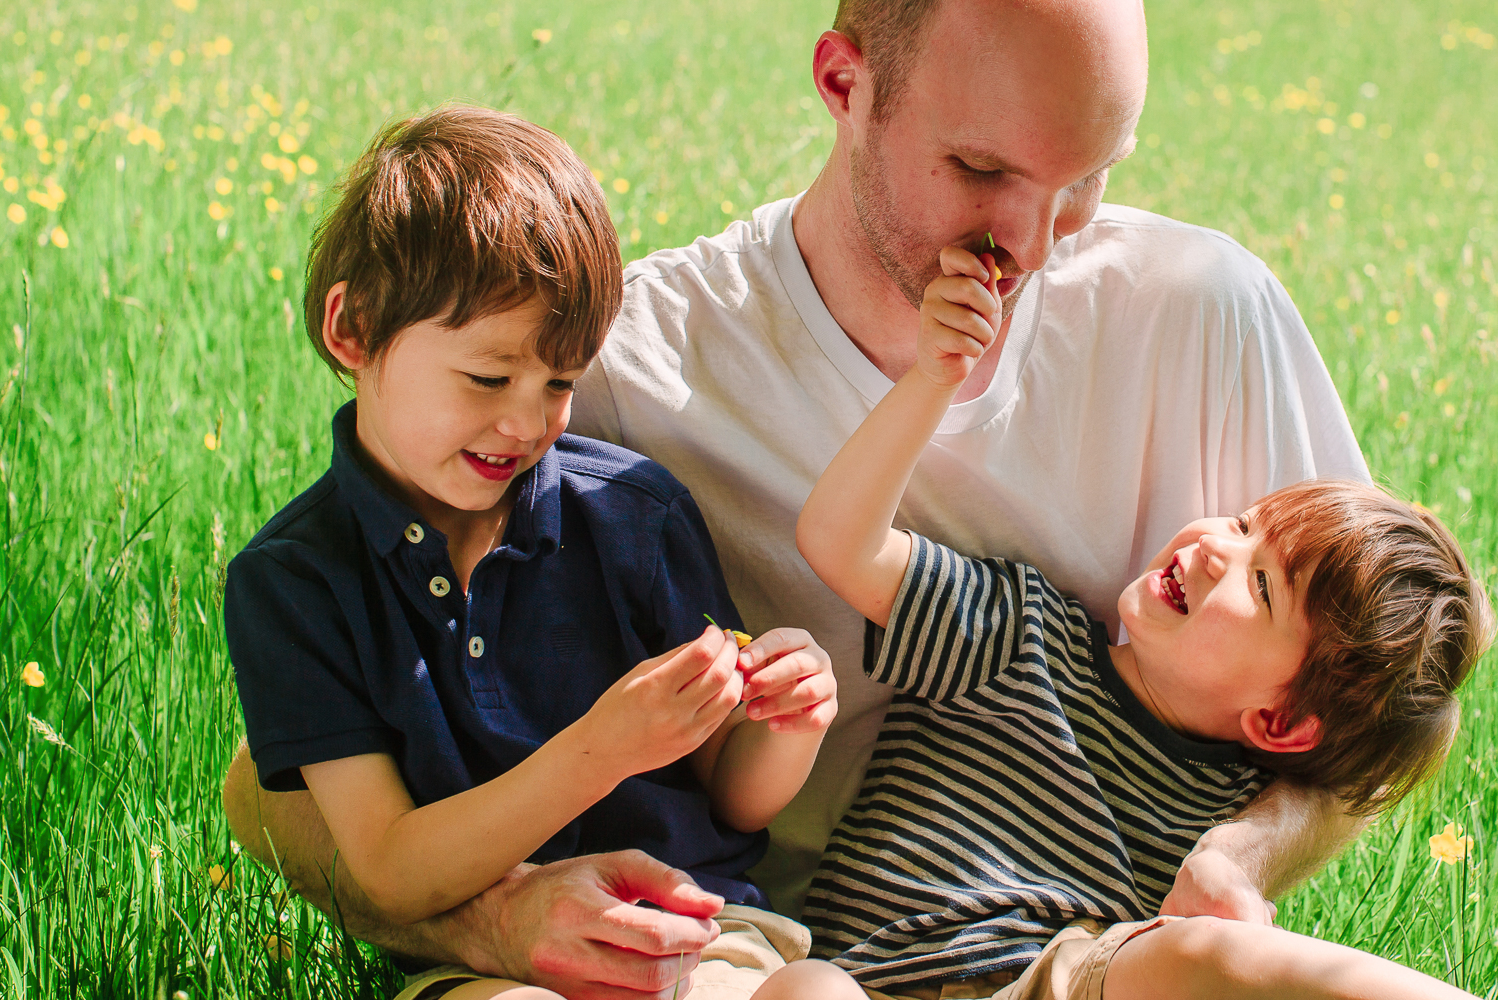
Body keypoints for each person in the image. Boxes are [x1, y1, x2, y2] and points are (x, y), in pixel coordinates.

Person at [222, 0, 1375, 994]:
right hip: (761, 957)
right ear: (844, 81)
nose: (1029, 242)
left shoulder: (1203, 313)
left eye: (1087, 181)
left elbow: (1379, 709)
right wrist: (495, 920)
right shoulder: (613, 376)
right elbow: (273, 792)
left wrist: (1245, 852)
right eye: (982, 170)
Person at [222, 104, 866, 1000]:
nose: (527, 423)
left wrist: (784, 725)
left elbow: (727, 795)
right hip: (486, 960)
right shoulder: (293, 583)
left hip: (695, 936)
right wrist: (598, 750)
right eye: (488, 378)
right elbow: (390, 870)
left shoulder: (633, 514)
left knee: (822, 994)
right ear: (353, 331)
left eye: (560, 383)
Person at [794, 244, 1494, 997]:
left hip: (1048, 981)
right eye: (1241, 520)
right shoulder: (1017, 632)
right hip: (864, 980)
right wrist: (934, 379)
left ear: (1282, 724)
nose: (1214, 545)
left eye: (1261, 585)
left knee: (1207, 954)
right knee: (809, 991)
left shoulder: (1234, 820)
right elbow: (840, 542)